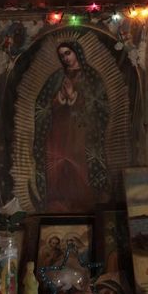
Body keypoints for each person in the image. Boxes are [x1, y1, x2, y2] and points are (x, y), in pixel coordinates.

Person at [33, 41, 109, 213]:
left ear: (77, 52)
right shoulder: (57, 77)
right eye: (62, 55)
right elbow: (43, 104)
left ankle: (82, 201)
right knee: (58, 160)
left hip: (80, 129)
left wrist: (74, 96)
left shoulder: (90, 75)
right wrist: (60, 97)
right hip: (58, 128)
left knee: (77, 160)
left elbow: (98, 104)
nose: (65, 58)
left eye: (68, 53)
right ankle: (58, 201)